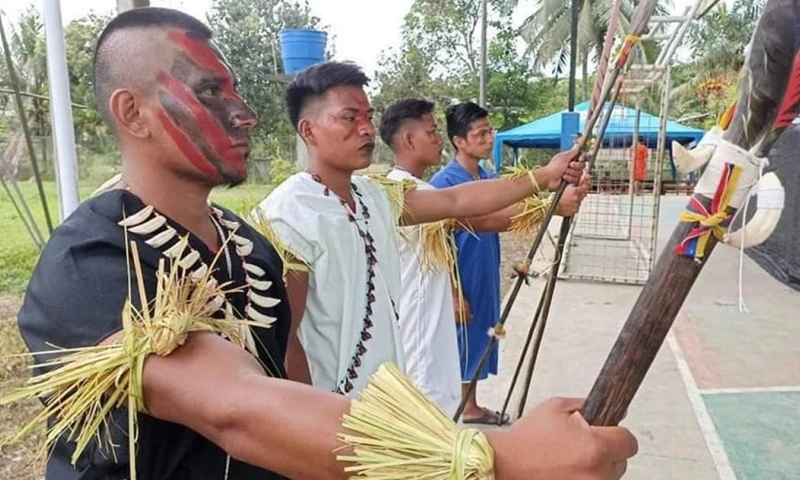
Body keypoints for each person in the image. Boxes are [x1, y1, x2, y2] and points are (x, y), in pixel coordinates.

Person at [10, 9, 638, 480]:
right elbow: (238, 406)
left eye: (234, 91)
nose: (243, 112)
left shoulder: (250, 243)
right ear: (133, 112)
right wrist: (492, 458)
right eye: (209, 92)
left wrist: (544, 179)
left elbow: (451, 205)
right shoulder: (90, 265)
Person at [256, 61, 584, 398]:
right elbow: (284, 339)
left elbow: (455, 201)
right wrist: (311, 422)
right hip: (329, 410)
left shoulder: (374, 195)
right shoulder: (290, 215)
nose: (367, 129)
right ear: (308, 130)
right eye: (350, 118)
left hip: (383, 397)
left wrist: (543, 177)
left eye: (368, 117)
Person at [379, 98, 589, 417]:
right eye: (432, 132)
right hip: (420, 328)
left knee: (449, 384)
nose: (439, 139)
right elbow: (474, 213)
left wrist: (550, 197)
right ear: (409, 139)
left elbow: (482, 210)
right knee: (429, 403)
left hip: (433, 323)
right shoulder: (404, 193)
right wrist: (546, 192)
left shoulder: (423, 189)